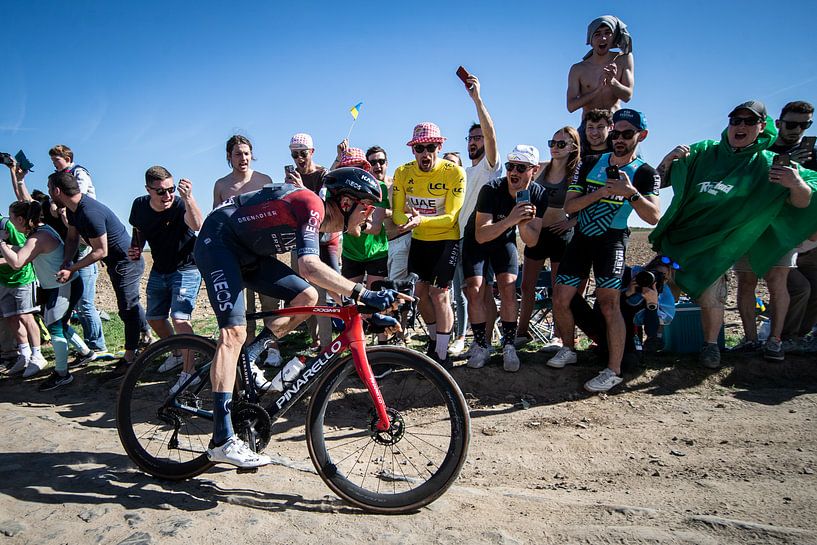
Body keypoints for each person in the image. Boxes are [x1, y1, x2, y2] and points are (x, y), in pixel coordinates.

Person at [193, 167, 401, 467]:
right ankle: (222, 440)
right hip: (219, 241)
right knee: (234, 333)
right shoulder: (312, 205)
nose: (369, 216)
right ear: (345, 203)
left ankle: (251, 355)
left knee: (307, 297)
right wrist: (363, 293)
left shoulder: (326, 228)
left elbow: (329, 281)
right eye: (366, 207)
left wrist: (366, 310)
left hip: (249, 253)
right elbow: (308, 267)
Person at [650, 100, 817, 368]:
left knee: (712, 294)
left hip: (718, 248)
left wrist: (795, 184)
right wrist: (667, 160)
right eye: (735, 120)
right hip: (681, 239)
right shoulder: (703, 152)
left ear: (762, 127)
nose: (740, 126)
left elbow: (804, 199)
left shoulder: (766, 164)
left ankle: (711, 346)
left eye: (749, 122)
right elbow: (658, 181)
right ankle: (655, 339)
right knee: (665, 287)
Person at [551, 108, 661, 393]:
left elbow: (653, 218)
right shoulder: (589, 162)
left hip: (611, 240)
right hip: (582, 238)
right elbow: (570, 206)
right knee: (562, 296)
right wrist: (600, 193)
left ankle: (613, 370)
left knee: (609, 304)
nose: (620, 139)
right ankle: (568, 348)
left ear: (642, 136)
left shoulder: (646, 173)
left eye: (628, 134)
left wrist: (631, 193)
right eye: (617, 133)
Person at [48, 171, 149, 375]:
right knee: (131, 303)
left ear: (57, 191)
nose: (48, 192)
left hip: (126, 262)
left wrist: (71, 268)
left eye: (49, 188)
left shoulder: (89, 212)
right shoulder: (75, 210)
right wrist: (67, 259)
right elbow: (72, 238)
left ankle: (130, 358)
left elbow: (101, 251)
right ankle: (147, 335)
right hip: (117, 262)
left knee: (127, 308)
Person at [462, 145, 546, 371]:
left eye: (521, 167)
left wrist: (523, 222)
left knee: (508, 287)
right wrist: (510, 220)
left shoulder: (538, 194)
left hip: (502, 242)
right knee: (476, 288)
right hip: (477, 240)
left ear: (534, 170)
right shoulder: (491, 189)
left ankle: (508, 345)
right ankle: (481, 345)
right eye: (510, 166)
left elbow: (531, 241)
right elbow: (481, 235)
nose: (514, 172)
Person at [392, 123, 466, 366]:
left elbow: (452, 216)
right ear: (413, 151)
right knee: (420, 293)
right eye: (419, 148)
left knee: (440, 295)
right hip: (420, 241)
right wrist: (413, 221)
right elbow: (397, 215)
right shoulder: (403, 172)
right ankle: (435, 343)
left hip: (446, 240)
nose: (425, 153)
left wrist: (419, 219)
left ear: (439, 146)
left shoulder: (454, 172)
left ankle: (443, 356)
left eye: (431, 147)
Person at [0, 200, 90, 389]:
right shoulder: (40, 231)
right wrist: (8, 248)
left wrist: (1, 243)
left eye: (12, 218)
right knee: (60, 324)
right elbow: (22, 251)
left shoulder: (37, 238)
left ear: (21, 219)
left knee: (55, 327)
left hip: (62, 286)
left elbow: (17, 263)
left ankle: (62, 374)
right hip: (61, 285)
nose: (10, 222)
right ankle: (86, 353)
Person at [129, 166, 204, 393]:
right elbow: (138, 229)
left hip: (187, 268)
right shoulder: (140, 205)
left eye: (171, 189)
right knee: (154, 318)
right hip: (160, 269)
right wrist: (136, 247)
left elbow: (198, 224)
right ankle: (177, 353)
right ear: (148, 190)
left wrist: (188, 198)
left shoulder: (181, 203)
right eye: (161, 191)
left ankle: (189, 374)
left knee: (180, 319)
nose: (168, 195)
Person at [212, 135, 281, 366]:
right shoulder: (221, 185)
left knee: (270, 304)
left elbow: (275, 212)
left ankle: (272, 348)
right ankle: (247, 354)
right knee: (243, 309)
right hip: (235, 254)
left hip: (263, 251)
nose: (243, 158)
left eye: (246, 153)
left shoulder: (264, 179)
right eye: (238, 154)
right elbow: (217, 219)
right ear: (229, 157)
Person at [517, 127, 580, 348]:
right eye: (552, 143)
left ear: (573, 147)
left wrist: (572, 221)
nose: (555, 148)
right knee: (526, 286)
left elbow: (586, 202)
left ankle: (557, 336)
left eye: (561, 144)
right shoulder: (540, 169)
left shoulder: (576, 174)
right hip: (537, 234)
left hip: (561, 236)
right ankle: (521, 332)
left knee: (557, 289)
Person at [48, 144, 109, 360]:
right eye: (53, 161)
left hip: (89, 243)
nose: (55, 164)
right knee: (81, 302)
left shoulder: (78, 174)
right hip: (80, 240)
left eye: (57, 160)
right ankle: (89, 346)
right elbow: (71, 236)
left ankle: (97, 345)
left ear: (68, 158)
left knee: (85, 303)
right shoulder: (59, 179)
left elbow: (81, 195)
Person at [458, 74, 502, 357]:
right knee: (472, 291)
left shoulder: (490, 166)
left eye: (478, 137)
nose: (474, 142)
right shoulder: (463, 172)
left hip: (483, 237)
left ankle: (483, 343)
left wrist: (477, 99)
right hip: (462, 238)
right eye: (470, 138)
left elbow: (491, 134)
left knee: (480, 290)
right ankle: (483, 340)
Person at [286, 132, 338, 349]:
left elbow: (323, 206)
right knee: (305, 292)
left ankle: (328, 344)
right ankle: (315, 339)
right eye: (294, 154)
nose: (299, 158)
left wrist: (302, 188)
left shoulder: (323, 174)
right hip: (302, 239)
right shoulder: (291, 176)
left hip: (326, 240)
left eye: (303, 153)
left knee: (328, 293)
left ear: (312, 152)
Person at [571, 256, 677, 362]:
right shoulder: (627, 275)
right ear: (646, 270)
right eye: (655, 273)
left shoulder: (662, 294)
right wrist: (627, 293)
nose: (657, 279)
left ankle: (608, 350)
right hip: (603, 324)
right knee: (570, 299)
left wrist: (652, 305)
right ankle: (601, 345)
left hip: (629, 333)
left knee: (629, 361)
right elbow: (601, 306)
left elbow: (651, 331)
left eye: (664, 278)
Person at [337, 148, 390, 289]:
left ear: (365, 169)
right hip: (350, 253)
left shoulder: (379, 187)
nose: (353, 171)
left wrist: (354, 226)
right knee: (350, 302)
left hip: (376, 252)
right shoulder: (335, 190)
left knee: (375, 301)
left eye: (358, 168)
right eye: (348, 168)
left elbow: (376, 228)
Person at [567, 16, 634, 116]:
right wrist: (595, 92)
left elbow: (627, 96)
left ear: (614, 36)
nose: (603, 38)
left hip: (614, 123)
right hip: (589, 126)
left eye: (607, 33)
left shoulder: (623, 59)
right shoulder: (578, 69)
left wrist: (612, 82)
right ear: (590, 39)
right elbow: (571, 106)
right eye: (597, 34)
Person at [443, 151, 468, 355]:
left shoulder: (464, 187)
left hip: (460, 241)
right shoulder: (436, 188)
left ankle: (460, 337)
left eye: (453, 164)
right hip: (440, 242)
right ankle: (443, 337)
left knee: (460, 294)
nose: (449, 167)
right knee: (442, 294)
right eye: (446, 164)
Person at [769, 101, 816, 170]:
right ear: (778, 124)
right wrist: (786, 161)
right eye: (791, 125)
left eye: (804, 125)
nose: (797, 130)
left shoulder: (813, 154)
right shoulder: (762, 148)